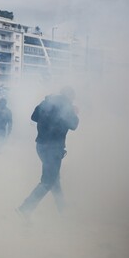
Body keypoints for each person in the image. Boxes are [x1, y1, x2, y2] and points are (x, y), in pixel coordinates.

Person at [16, 86, 79, 223]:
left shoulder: (48, 102)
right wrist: (74, 113)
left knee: (54, 179)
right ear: (69, 96)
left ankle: (63, 209)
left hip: (41, 145)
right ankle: (25, 208)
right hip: (53, 148)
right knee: (48, 181)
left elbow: (34, 117)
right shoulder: (66, 106)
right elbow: (74, 125)